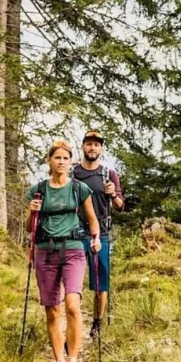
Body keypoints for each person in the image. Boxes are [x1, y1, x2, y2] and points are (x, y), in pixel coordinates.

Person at [28, 139, 101, 362]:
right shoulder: (38, 190)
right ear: (50, 160)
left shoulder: (79, 188)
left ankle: (73, 360)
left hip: (72, 250)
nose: (61, 162)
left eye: (65, 158)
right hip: (45, 251)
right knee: (52, 310)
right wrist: (32, 210)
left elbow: (92, 219)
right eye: (57, 157)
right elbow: (30, 227)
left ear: (71, 162)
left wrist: (95, 238)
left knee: (72, 304)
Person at [73, 128, 124, 339]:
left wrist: (113, 195)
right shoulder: (72, 173)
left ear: (101, 149)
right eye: (89, 143)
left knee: (101, 282)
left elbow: (121, 205)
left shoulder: (109, 174)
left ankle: (97, 323)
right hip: (74, 233)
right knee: (72, 282)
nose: (92, 147)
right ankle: (72, 327)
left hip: (101, 234)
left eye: (96, 144)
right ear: (83, 146)